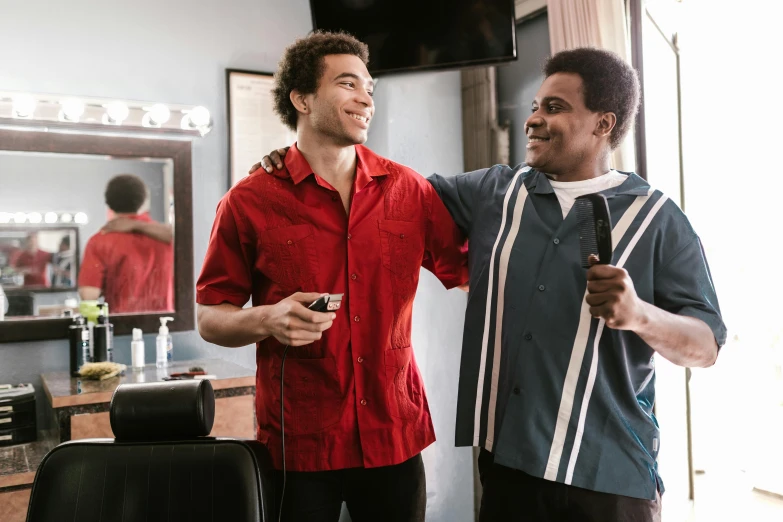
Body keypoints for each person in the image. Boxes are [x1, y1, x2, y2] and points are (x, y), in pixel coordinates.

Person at [256, 47, 726, 522]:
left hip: (611, 478)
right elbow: (382, 191)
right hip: (508, 471)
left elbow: (705, 347)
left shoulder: (659, 220)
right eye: (536, 106)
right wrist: (301, 155)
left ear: (603, 124)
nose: (534, 119)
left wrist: (640, 315)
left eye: (555, 108)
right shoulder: (493, 192)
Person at [196, 32, 467, 522]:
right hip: (300, 443)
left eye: (370, 88)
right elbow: (210, 318)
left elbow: (470, 272)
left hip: (394, 432)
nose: (366, 99)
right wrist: (268, 319)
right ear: (302, 99)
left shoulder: (410, 190)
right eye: (348, 84)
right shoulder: (248, 201)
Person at [78, 173, 174, 313]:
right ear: (142, 201)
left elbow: (89, 296)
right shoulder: (166, 238)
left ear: (108, 202)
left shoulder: (99, 240)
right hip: (168, 325)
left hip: (121, 327)